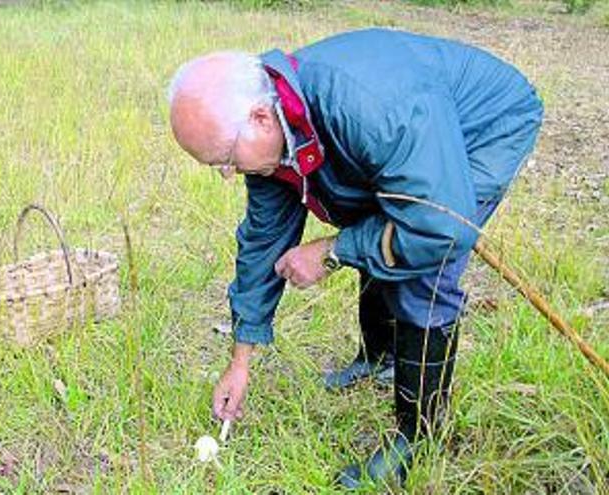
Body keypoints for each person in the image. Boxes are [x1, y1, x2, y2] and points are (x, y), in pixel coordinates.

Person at [167, 28, 542, 487]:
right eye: (216, 165)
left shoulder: (372, 109)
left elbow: (437, 226)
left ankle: (418, 435)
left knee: (421, 261)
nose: (228, 174)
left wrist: (333, 251)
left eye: (224, 158)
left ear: (261, 117)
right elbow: (263, 244)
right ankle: (380, 356)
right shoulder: (273, 135)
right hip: (411, 132)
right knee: (379, 219)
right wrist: (240, 360)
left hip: (486, 124)